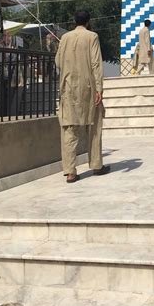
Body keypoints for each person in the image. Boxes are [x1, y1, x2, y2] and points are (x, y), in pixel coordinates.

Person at [55, 10, 110, 183]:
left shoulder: (65, 38)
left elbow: (57, 61)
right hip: (88, 87)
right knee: (94, 126)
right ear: (88, 21)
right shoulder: (92, 36)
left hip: (68, 87)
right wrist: (99, 88)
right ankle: (96, 164)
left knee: (69, 129)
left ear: (75, 21)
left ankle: (70, 171)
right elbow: (95, 62)